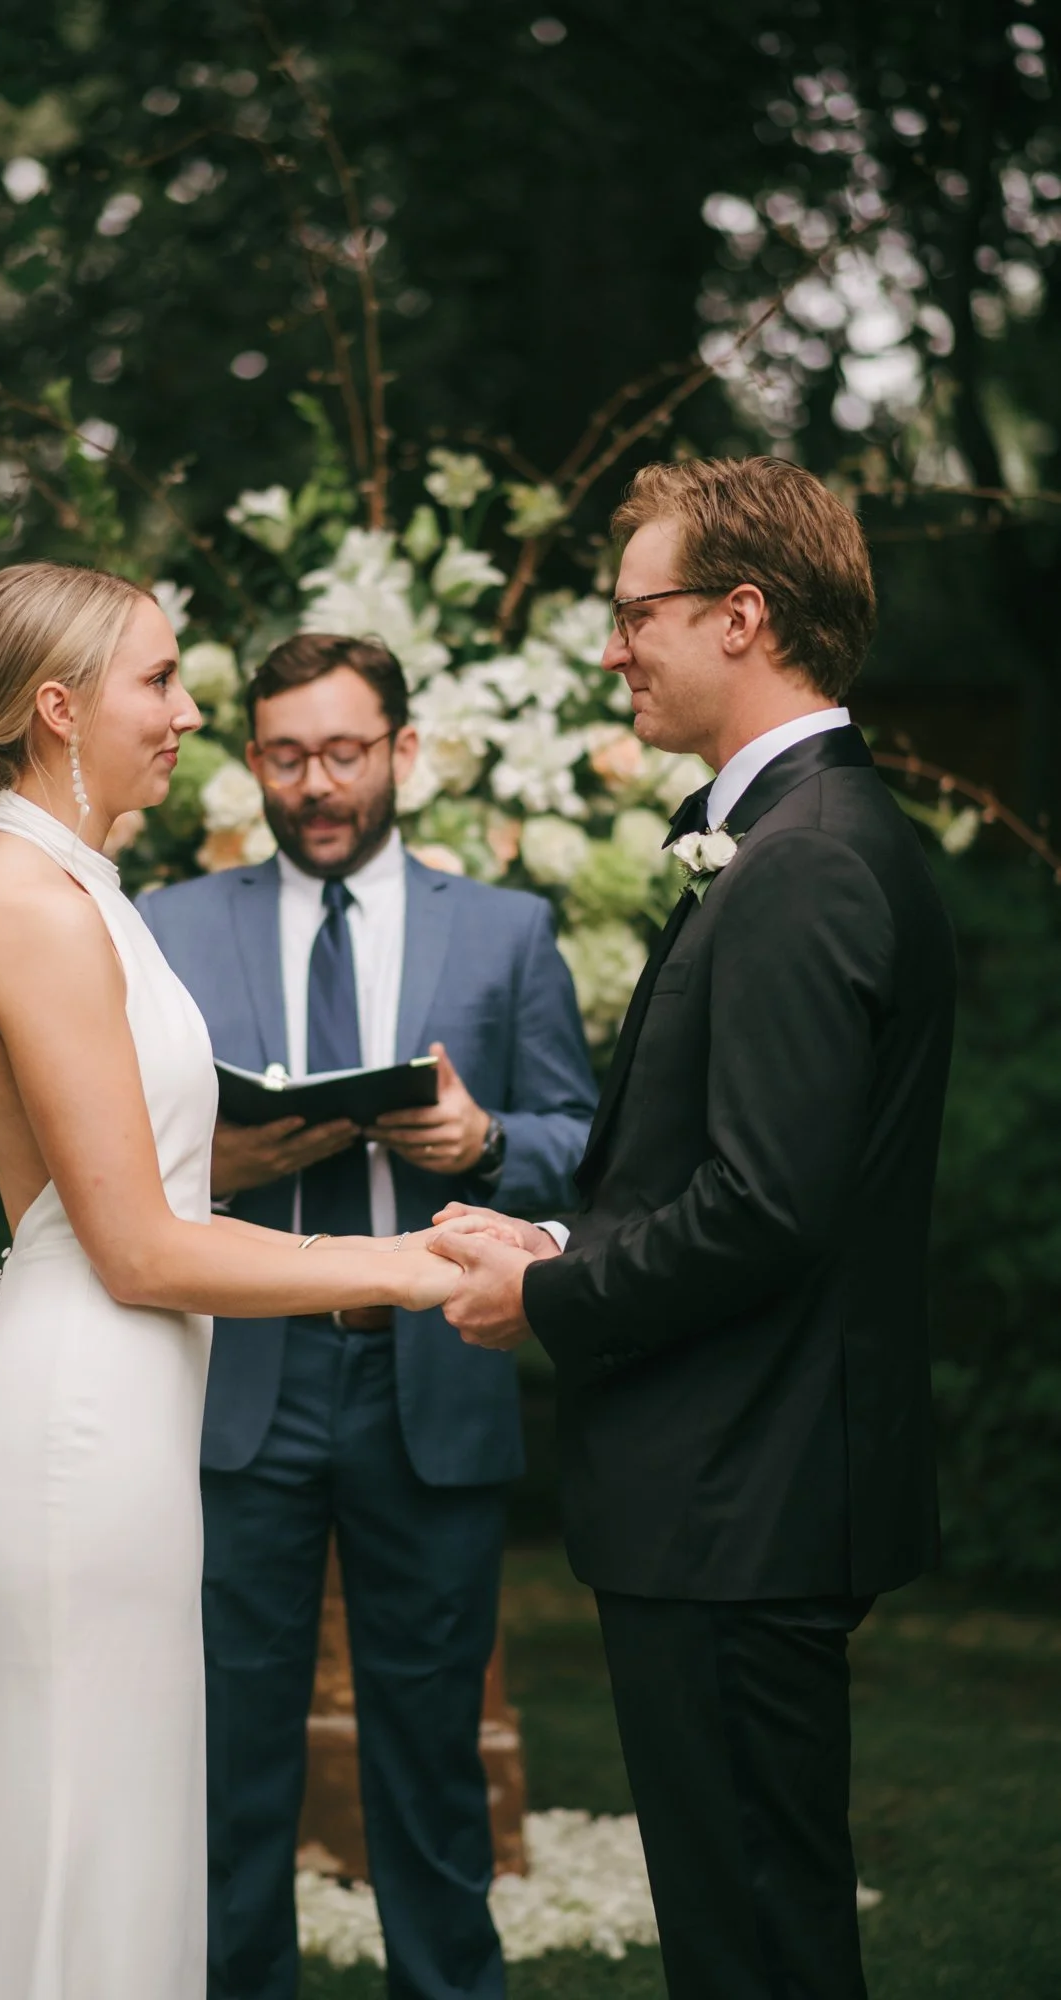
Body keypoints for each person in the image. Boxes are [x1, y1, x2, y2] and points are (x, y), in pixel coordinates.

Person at [0, 563, 458, 2000]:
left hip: (122, 1409)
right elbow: (135, 1247)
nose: (188, 713)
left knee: (110, 1827)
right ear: (60, 709)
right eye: (160, 680)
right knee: (75, 1831)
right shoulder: (30, 912)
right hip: (77, 1427)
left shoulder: (82, 893)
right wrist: (406, 1263)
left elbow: (144, 1202)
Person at [431, 457, 956, 2000]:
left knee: (754, 1945)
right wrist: (556, 1244)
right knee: (750, 1927)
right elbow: (739, 1178)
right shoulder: (797, 836)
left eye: (633, 614)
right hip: (742, 1481)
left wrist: (547, 1300)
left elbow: (764, 1208)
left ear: (741, 616)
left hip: (744, 1490)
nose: (611, 650)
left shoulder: (805, 862)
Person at [138, 632, 596, 2000]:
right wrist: (216, 1161)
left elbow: (588, 1145)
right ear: (251, 764)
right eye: (286, 757)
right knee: (225, 1757)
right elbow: (111, 1152)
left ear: (402, 750)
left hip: (431, 1376)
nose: (317, 785)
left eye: (344, 753)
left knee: (432, 1756)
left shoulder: (507, 930)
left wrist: (483, 1140)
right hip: (242, 1385)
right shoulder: (170, 924)